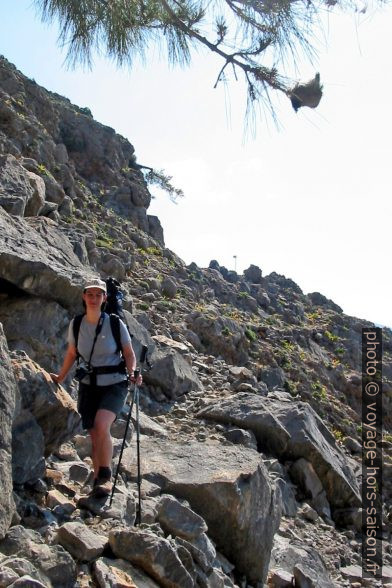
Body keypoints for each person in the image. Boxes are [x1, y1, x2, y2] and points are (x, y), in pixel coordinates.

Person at [50, 278, 142, 498]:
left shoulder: (114, 323)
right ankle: (97, 475)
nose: (93, 299)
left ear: (104, 299)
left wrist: (132, 373)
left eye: (97, 295)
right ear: (84, 297)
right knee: (93, 431)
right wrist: (61, 376)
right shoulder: (77, 323)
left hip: (115, 383)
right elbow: (72, 353)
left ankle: (105, 477)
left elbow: (129, 354)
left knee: (102, 425)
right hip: (89, 384)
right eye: (89, 294)